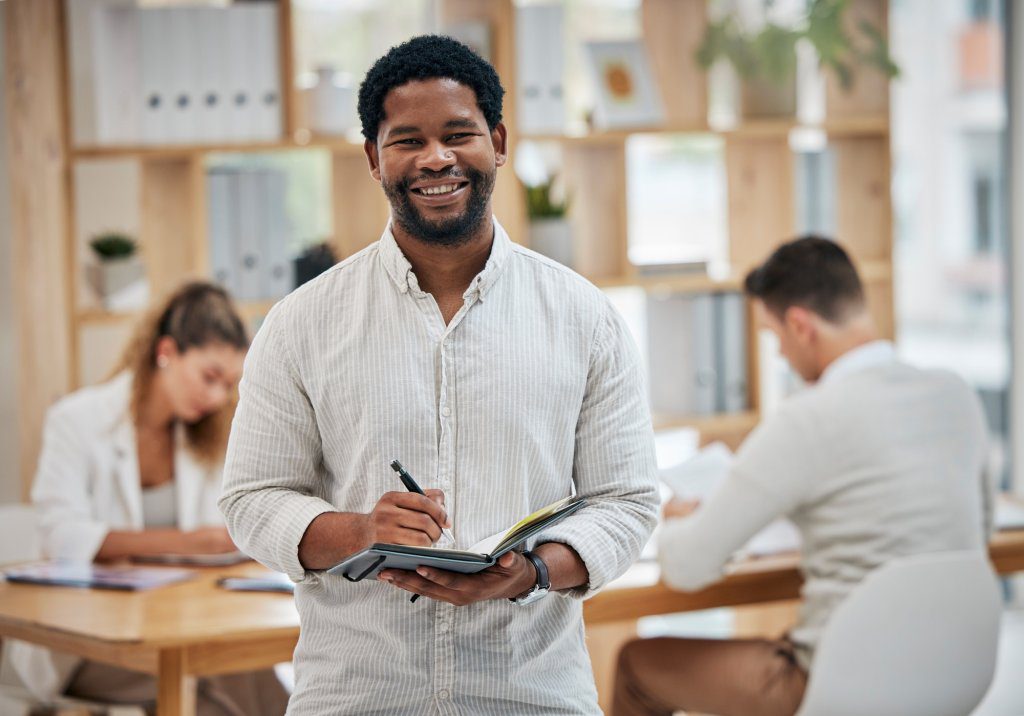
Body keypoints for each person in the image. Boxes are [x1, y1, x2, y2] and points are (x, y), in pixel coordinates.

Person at [218, 35, 659, 715]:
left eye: (459, 134)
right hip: (358, 697)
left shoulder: (582, 316)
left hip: (532, 695)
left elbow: (626, 502)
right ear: (374, 157)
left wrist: (530, 572)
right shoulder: (302, 322)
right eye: (407, 140)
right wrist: (362, 531)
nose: (436, 159)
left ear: (499, 142)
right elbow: (252, 499)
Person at [612, 237, 993, 716]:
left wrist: (678, 520)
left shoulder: (807, 418)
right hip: (956, 673)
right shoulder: (955, 393)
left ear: (799, 325)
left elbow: (686, 568)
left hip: (838, 685)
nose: (780, 357)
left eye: (774, 338)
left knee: (637, 664)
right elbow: (977, 537)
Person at [3, 282, 290, 716]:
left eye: (228, 384)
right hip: (90, 644)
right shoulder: (76, 421)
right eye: (209, 377)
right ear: (167, 352)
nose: (216, 397)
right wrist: (185, 542)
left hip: (183, 623)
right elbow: (60, 536)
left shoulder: (205, 436)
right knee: (217, 680)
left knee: (233, 674)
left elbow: (226, 533)